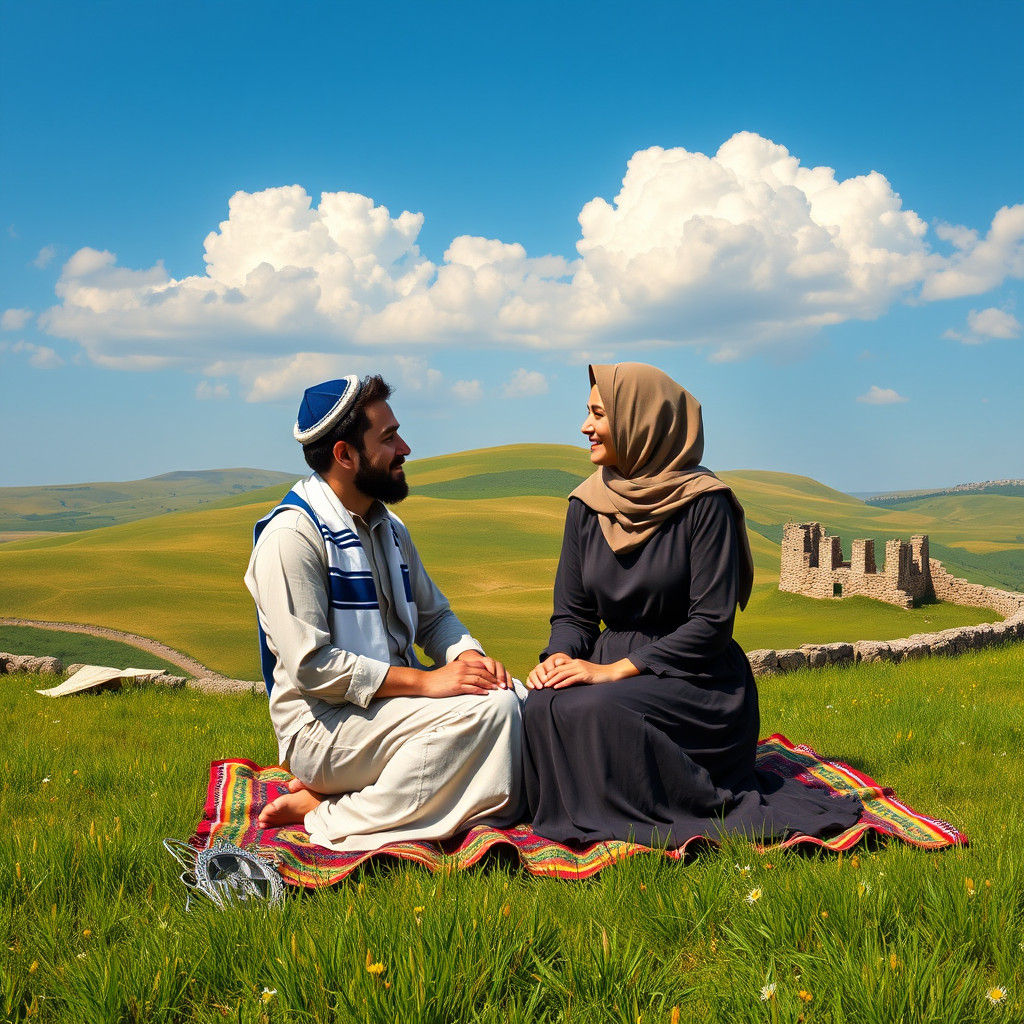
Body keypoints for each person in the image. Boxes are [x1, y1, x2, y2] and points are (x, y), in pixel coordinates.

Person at [522, 362, 861, 847]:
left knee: (598, 708)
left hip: (695, 676)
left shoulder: (706, 503)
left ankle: (627, 817)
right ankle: (581, 811)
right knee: (542, 702)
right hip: (609, 664)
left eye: (599, 414)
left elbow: (711, 624)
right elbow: (573, 614)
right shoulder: (585, 504)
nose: (585, 427)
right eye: (587, 412)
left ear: (641, 422)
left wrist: (618, 669)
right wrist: (558, 656)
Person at [245, 374, 523, 852]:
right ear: (344, 455)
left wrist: (470, 659)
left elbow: (435, 618)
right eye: (389, 437)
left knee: (514, 698)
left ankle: (364, 794)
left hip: (386, 709)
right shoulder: (291, 539)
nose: (405, 448)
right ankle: (334, 814)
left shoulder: (390, 529)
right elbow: (312, 668)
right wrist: (429, 682)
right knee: (492, 714)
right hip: (321, 727)